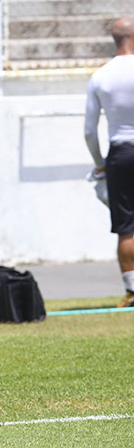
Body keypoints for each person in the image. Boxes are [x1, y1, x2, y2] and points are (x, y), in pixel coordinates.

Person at [84, 17, 134, 308]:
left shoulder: (101, 76)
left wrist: (100, 164)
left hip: (121, 153)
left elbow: (89, 130)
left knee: (127, 225)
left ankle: (131, 292)